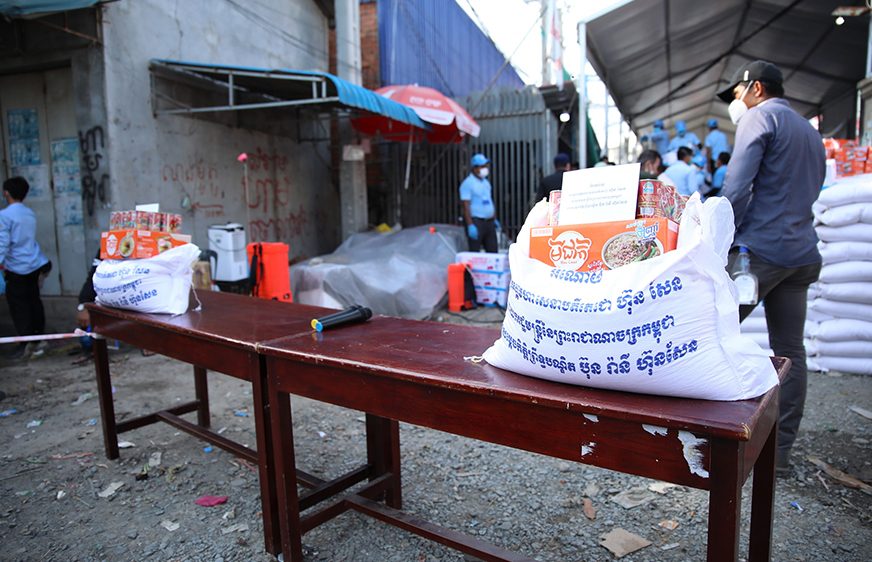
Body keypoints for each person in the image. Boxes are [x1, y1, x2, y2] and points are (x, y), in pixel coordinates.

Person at [717, 60, 825, 477]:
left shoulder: (760, 117)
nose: (737, 102)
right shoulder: (809, 131)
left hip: (759, 254)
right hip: (801, 254)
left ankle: (709, 438)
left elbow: (738, 185)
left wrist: (719, 235)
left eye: (738, 93)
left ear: (757, 88)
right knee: (790, 351)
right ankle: (779, 454)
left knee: (711, 329)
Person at [0, 177, 51, 358]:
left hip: (16, 267)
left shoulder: (5, 216)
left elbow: (3, 243)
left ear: (6, 193)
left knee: (19, 307)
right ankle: (38, 339)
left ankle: (26, 343)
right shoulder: (29, 213)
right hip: (33, 263)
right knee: (34, 302)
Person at [460, 153, 498, 253]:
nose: (485, 168)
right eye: (482, 166)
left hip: (489, 222)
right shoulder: (468, 183)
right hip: (476, 222)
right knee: (475, 251)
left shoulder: (486, 182)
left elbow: (489, 201)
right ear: (475, 168)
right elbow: (465, 205)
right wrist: (470, 225)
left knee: (493, 251)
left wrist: (494, 218)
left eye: (486, 166)